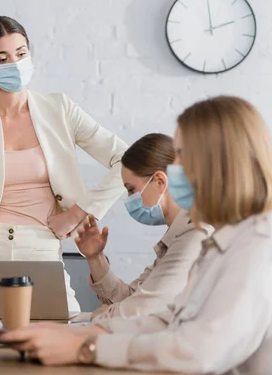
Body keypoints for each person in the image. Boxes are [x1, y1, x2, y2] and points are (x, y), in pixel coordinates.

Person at [1, 96, 272, 374]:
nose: (173, 166)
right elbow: (170, 319)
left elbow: (198, 350)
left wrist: (87, 348)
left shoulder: (261, 245)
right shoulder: (223, 242)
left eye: (180, 155)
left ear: (217, 163)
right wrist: (77, 335)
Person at [0, 16, 128, 312]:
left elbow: (127, 161)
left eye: (21, 54)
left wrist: (78, 213)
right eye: (2, 58)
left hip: (42, 245)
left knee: (62, 337)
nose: (14, 64)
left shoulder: (60, 109)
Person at [76, 133, 213, 323]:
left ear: (160, 182)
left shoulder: (195, 237)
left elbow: (142, 310)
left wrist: (93, 316)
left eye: (131, 189)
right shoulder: (177, 237)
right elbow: (131, 299)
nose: (130, 198)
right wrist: (95, 257)